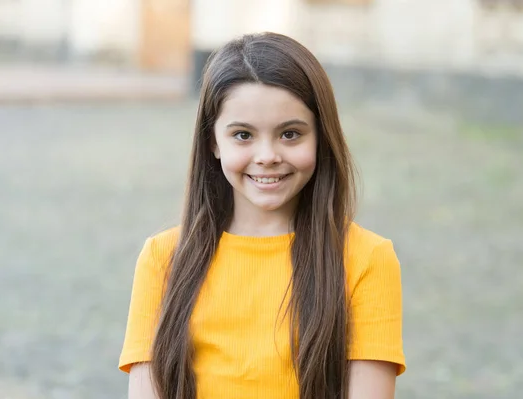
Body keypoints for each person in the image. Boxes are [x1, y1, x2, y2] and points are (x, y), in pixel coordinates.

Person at [118, 32, 405, 399]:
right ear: (213, 142)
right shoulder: (162, 258)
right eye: (242, 135)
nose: (267, 155)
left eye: (290, 134)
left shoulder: (367, 259)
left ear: (321, 136)